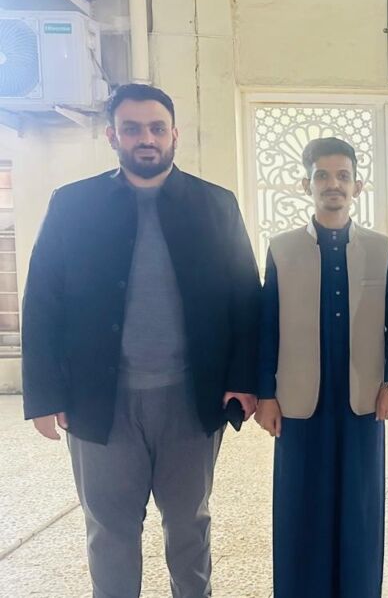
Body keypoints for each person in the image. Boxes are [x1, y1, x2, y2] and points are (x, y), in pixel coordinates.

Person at [21, 83, 261, 597]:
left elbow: (246, 298)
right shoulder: (73, 205)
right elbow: (42, 301)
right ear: (113, 136)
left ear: (175, 134)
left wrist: (244, 380)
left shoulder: (215, 205)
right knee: (109, 530)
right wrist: (44, 394)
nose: (145, 139)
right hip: (99, 400)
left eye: (156, 128)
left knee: (190, 525)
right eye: (132, 129)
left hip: (190, 399)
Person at [254, 136, 388, 597]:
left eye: (343, 176)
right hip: (299, 400)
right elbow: (266, 323)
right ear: (307, 184)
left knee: (360, 506)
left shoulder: (379, 248)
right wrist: (265, 394)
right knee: (301, 506)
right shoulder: (282, 249)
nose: (333, 184)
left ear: (358, 186)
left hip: (362, 399)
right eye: (322, 175)